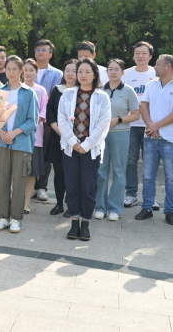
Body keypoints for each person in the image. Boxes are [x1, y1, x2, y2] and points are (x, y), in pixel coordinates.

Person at [58, 58, 111, 241]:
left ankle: (86, 223)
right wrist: (73, 142)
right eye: (80, 71)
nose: (83, 75)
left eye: (87, 72)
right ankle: (74, 222)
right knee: (72, 186)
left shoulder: (102, 97)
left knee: (88, 187)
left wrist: (86, 145)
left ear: (95, 74)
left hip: (91, 149)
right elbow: (62, 119)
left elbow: (103, 124)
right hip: (70, 148)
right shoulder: (68, 94)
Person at [134, 54, 173, 226]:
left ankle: (170, 210)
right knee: (148, 176)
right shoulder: (151, 84)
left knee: (171, 177)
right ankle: (147, 207)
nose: (154, 66)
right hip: (150, 137)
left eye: (157, 64)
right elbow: (143, 105)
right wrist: (150, 126)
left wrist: (156, 126)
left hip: (171, 140)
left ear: (168, 66)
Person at [0, 55, 38, 234]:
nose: (11, 72)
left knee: (19, 181)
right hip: (1, 143)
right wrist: (2, 132)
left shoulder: (29, 92)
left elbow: (32, 121)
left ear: (21, 71)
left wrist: (14, 132)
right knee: (1, 180)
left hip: (21, 143)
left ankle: (16, 218)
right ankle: (3, 217)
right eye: (8, 69)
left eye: (14, 69)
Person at [95, 59, 140, 221]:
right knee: (101, 170)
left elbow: (136, 114)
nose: (113, 72)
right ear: (106, 72)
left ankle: (115, 208)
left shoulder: (128, 91)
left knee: (119, 171)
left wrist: (119, 119)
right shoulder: (99, 90)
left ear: (122, 72)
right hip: (101, 135)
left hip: (121, 134)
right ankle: (100, 207)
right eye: (110, 69)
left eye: (117, 69)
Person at [123, 41, 158, 209]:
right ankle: (131, 194)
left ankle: (151, 197)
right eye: (137, 53)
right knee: (130, 161)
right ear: (133, 55)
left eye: (144, 53)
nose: (140, 56)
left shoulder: (156, 73)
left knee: (150, 162)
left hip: (150, 125)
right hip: (130, 125)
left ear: (150, 56)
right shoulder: (126, 74)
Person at [32, 39, 62, 202]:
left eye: (44, 50)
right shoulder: (27, 69)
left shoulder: (57, 74)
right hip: (27, 119)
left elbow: (53, 97)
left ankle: (41, 187)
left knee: (44, 155)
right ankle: (29, 186)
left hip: (46, 120)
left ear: (50, 54)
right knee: (28, 153)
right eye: (38, 49)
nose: (40, 52)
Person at [46, 59, 77, 215]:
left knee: (73, 173)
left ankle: (72, 205)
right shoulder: (57, 90)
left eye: (74, 71)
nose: (70, 74)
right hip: (57, 136)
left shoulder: (83, 91)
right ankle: (59, 204)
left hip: (77, 138)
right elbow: (50, 111)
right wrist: (56, 127)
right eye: (67, 70)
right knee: (59, 171)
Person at [22, 59, 48, 215]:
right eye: (25, 69)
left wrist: (29, 123)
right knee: (17, 170)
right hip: (16, 135)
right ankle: (17, 200)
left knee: (31, 171)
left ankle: (26, 203)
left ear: (36, 72)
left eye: (31, 69)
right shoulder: (16, 88)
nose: (28, 72)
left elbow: (43, 112)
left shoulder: (40, 90)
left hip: (35, 136)